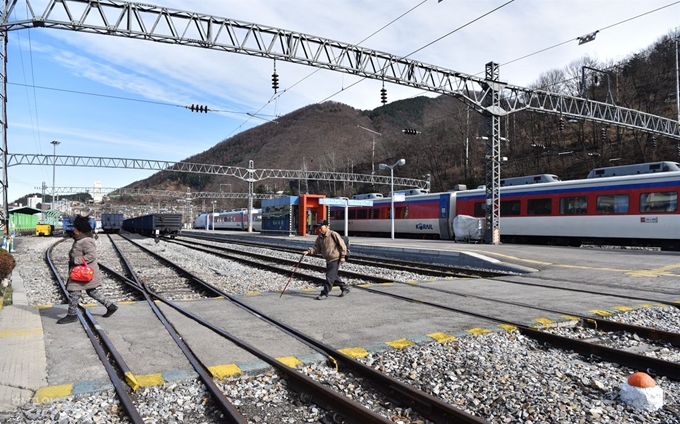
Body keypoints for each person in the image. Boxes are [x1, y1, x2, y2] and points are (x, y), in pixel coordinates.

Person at [57, 215, 118, 324]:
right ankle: (110, 306)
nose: (73, 229)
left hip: (82, 272)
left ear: (80, 230)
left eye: (75, 228)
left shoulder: (86, 241)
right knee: (92, 291)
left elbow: (91, 255)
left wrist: (76, 260)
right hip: (82, 271)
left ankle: (72, 315)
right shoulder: (81, 239)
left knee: (73, 292)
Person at [303, 220, 350, 300]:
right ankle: (344, 287)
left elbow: (342, 246)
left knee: (329, 277)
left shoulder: (333, 234)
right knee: (333, 276)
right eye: (319, 228)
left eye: (321, 227)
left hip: (335, 258)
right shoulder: (320, 237)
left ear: (326, 226)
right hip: (328, 259)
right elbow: (316, 248)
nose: (319, 229)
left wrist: (342, 256)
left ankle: (324, 293)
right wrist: (308, 251)